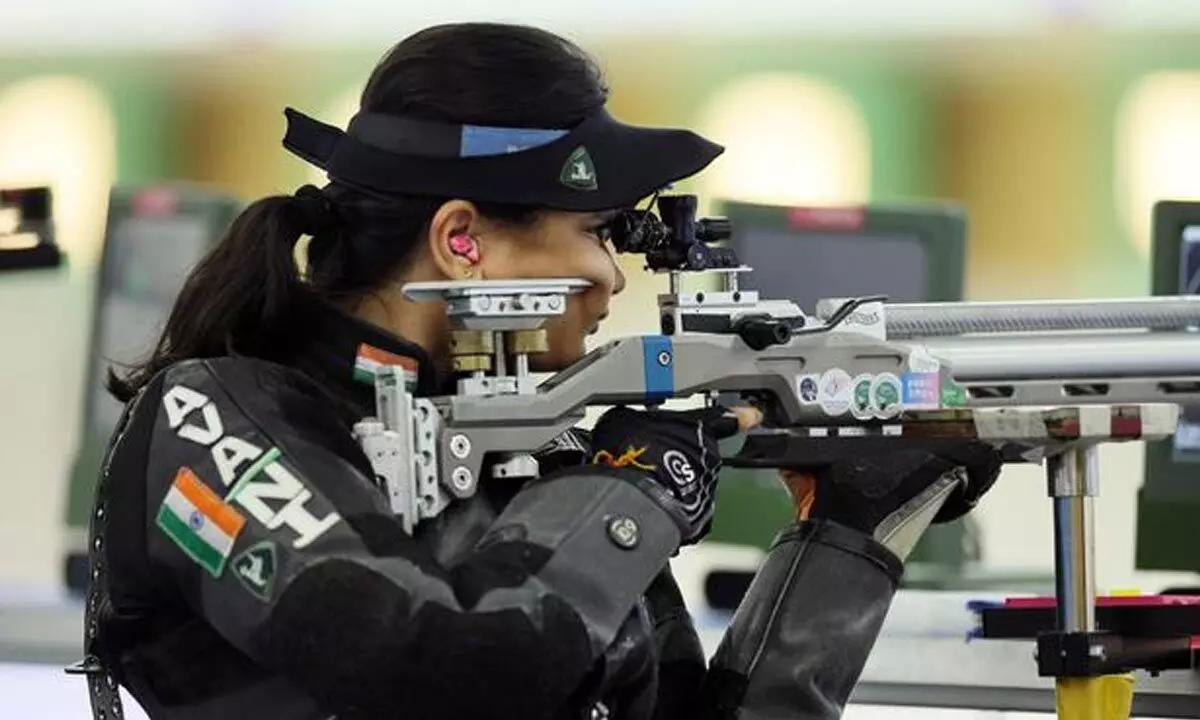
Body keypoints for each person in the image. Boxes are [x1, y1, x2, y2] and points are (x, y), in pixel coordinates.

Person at [80, 22, 1002, 720]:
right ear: (462, 239)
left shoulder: (539, 444)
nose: (613, 275)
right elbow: (441, 663)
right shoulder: (210, 415)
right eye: (599, 233)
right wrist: (635, 493)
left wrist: (853, 535)